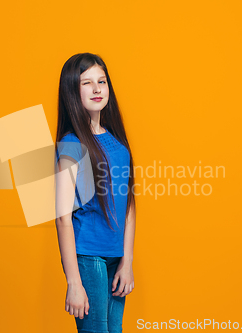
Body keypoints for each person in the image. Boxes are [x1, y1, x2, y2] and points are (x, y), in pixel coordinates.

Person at [54, 52, 136, 333]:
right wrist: (74, 282)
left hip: (116, 259)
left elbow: (128, 206)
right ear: (72, 92)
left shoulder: (118, 142)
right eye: (86, 83)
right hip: (89, 257)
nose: (97, 88)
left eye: (102, 81)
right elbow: (63, 218)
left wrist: (128, 261)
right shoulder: (71, 145)